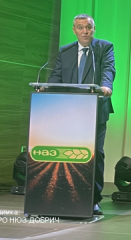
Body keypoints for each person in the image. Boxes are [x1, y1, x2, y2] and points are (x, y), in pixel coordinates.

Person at [47, 13, 115, 216]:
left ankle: (93, 200)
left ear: (94, 29)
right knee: (69, 153)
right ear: (74, 30)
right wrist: (47, 89)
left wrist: (106, 87)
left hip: (95, 110)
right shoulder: (65, 51)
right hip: (69, 111)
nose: (85, 31)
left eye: (88, 27)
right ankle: (66, 195)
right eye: (80, 27)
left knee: (95, 154)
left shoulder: (104, 48)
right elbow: (56, 76)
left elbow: (109, 70)